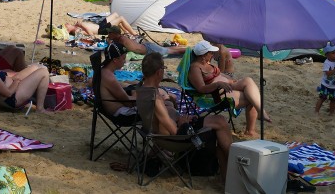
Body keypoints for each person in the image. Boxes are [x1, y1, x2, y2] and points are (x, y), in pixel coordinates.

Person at [141, 52, 233, 182]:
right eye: (163, 68)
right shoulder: (154, 97)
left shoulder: (142, 89)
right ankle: (234, 165)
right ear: (158, 72)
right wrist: (183, 122)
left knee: (219, 131)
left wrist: (175, 111)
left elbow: (160, 120)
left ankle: (228, 176)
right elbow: (173, 131)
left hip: (166, 131)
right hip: (175, 138)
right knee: (221, 122)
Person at [188, 41, 270, 137]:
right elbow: (201, 89)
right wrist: (218, 84)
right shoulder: (195, 68)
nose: (212, 54)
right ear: (203, 55)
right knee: (251, 98)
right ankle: (250, 130)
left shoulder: (207, 62)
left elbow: (219, 74)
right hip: (215, 94)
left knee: (248, 81)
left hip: (225, 86)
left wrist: (231, 80)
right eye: (211, 52)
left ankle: (260, 111)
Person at [0, 38, 51, 113]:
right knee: (44, 72)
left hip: (11, 87)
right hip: (13, 98)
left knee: (37, 66)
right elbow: (9, 93)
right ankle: (40, 108)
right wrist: (17, 81)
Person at [100, 42, 137, 118]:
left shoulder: (103, 71)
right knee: (154, 107)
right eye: (123, 58)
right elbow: (129, 103)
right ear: (115, 60)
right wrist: (136, 93)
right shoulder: (109, 77)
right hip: (121, 113)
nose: (125, 61)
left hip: (110, 110)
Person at [106, 27, 187, 56]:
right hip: (147, 47)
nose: (108, 34)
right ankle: (184, 48)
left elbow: (114, 48)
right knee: (167, 49)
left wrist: (109, 41)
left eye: (110, 33)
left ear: (115, 34)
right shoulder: (120, 38)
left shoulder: (122, 40)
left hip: (149, 49)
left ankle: (189, 50)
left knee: (169, 51)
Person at [314, 43, 335, 116]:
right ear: (327, 55)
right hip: (326, 85)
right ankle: (316, 111)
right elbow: (327, 73)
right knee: (322, 98)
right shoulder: (327, 63)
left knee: (333, 100)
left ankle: (331, 113)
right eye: (333, 53)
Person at [64, 13, 138, 37]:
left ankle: (126, 32)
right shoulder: (77, 31)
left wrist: (80, 24)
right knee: (121, 18)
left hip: (100, 25)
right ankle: (134, 34)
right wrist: (81, 25)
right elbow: (90, 34)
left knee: (115, 14)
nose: (67, 23)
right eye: (66, 25)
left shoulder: (76, 27)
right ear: (68, 30)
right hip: (101, 29)